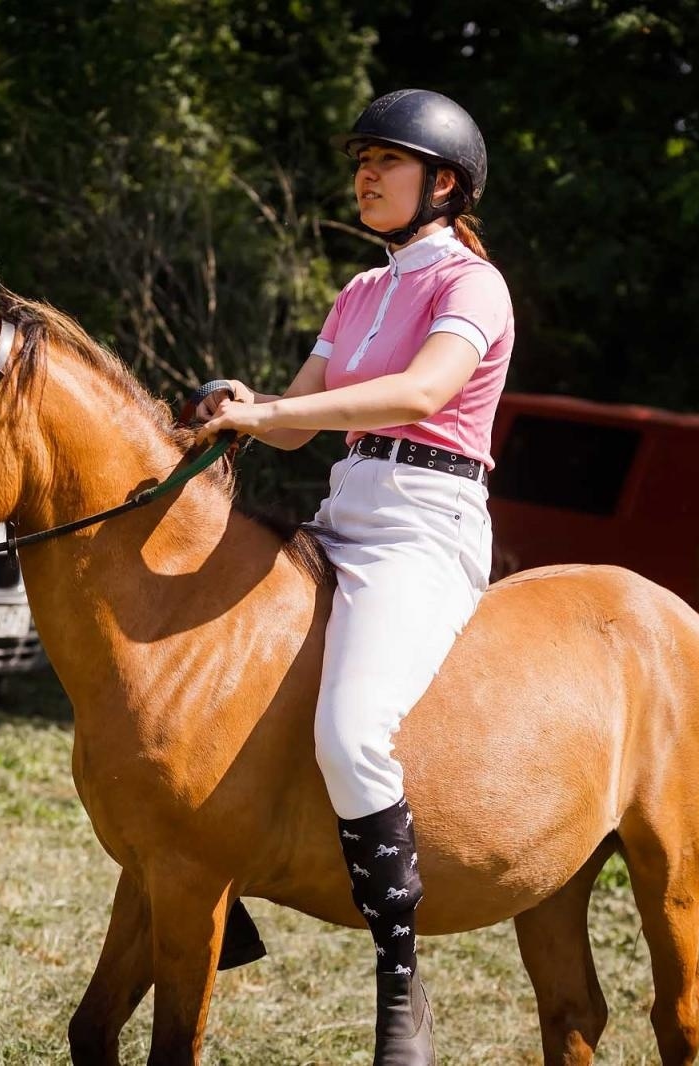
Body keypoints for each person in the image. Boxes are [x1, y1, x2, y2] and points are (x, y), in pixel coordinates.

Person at [195, 89, 511, 1064]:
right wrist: (241, 405)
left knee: (346, 729)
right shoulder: (359, 292)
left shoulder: (471, 286)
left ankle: (402, 984)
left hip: (426, 524)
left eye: (386, 160)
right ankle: (217, 888)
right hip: (344, 512)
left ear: (443, 182)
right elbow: (297, 417)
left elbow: (421, 393)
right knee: (202, 686)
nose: (365, 175)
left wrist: (271, 421)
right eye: (360, 160)